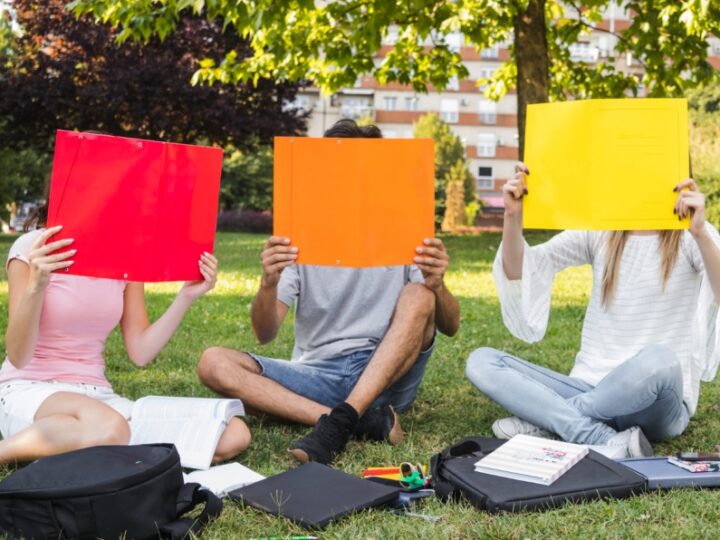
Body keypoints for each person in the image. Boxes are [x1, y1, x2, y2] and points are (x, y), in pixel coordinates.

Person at [198, 118, 461, 465]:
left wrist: (437, 284)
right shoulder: (300, 236)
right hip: (318, 374)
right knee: (212, 362)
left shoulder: (403, 231)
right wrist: (268, 282)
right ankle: (354, 420)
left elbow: (450, 325)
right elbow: (265, 333)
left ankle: (338, 419)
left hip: (386, 371)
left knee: (421, 294)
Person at [465, 162, 720, 457]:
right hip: (589, 386)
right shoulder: (601, 231)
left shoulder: (690, 234)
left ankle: (551, 419)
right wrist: (512, 216)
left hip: (656, 403)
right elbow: (520, 270)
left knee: (660, 359)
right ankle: (594, 434)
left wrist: (700, 233)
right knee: (481, 361)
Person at [0, 209, 251, 465]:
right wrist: (36, 285)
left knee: (232, 434)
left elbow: (141, 351)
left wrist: (186, 296)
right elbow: (18, 356)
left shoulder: (124, 257)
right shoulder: (33, 247)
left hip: (98, 398)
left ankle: (87, 443)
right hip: (30, 388)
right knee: (108, 427)